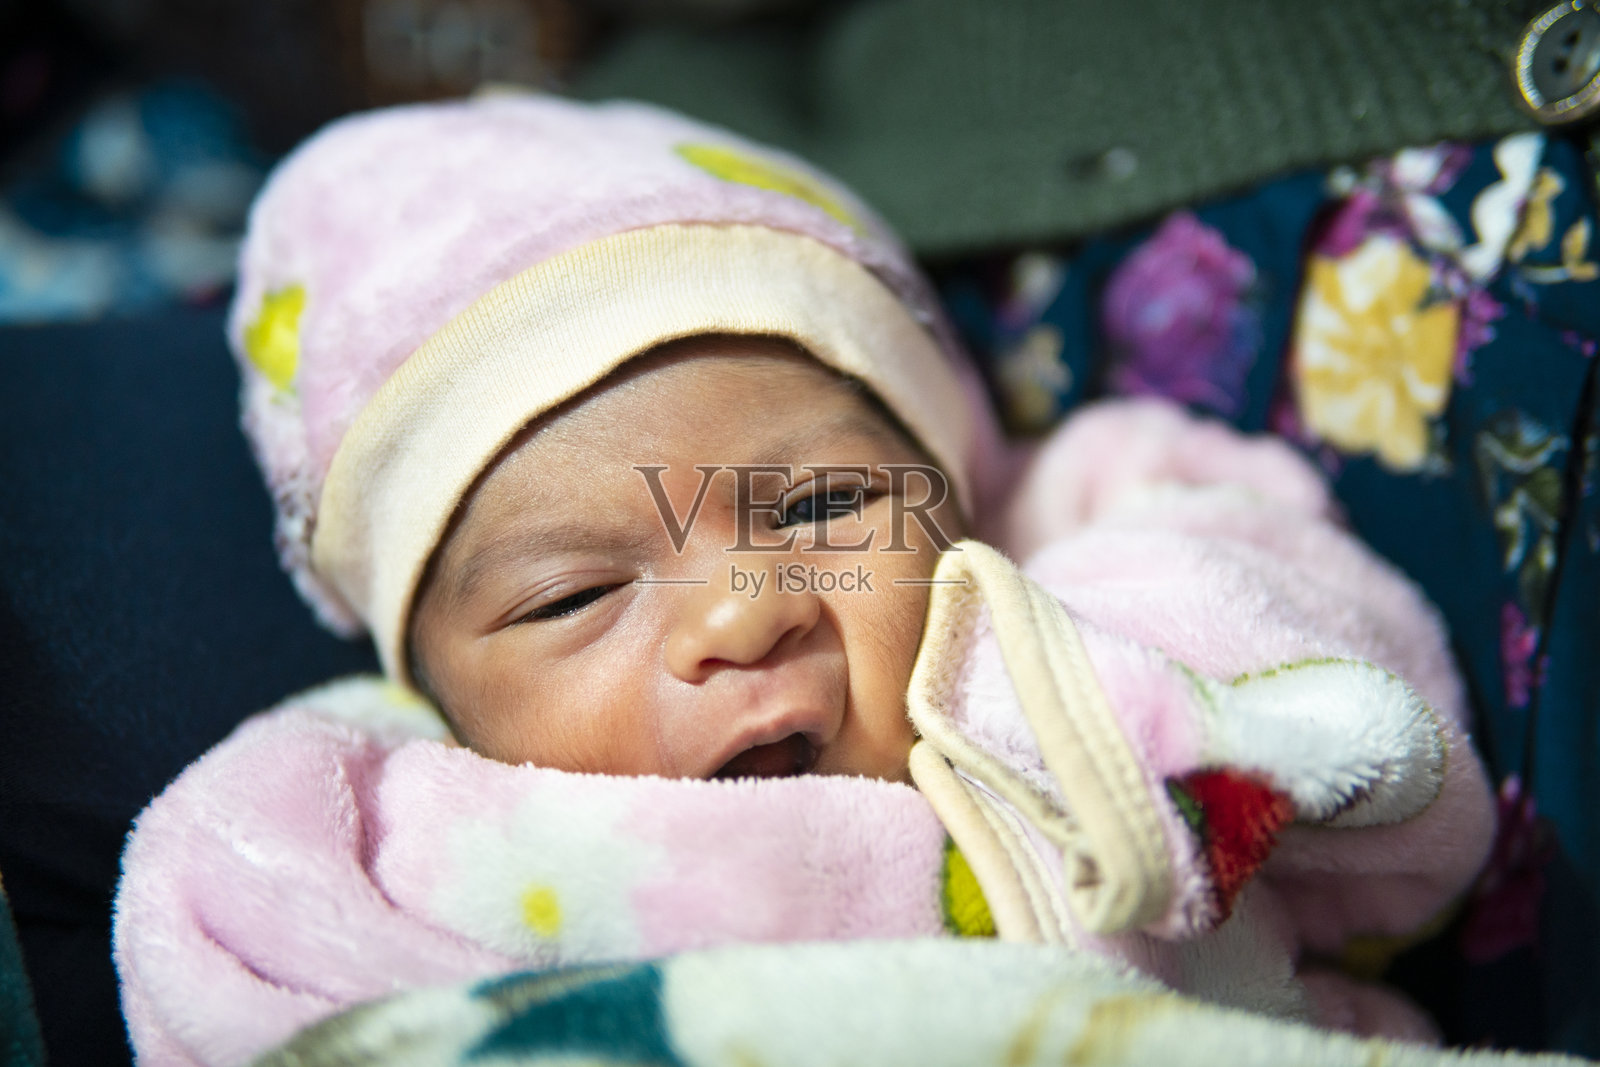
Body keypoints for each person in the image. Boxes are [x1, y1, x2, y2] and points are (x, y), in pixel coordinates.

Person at [112, 92, 1493, 1065]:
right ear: (433, 691)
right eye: (572, 598)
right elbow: (218, 974)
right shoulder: (374, 823)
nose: (743, 610)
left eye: (828, 504)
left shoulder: (1098, 579)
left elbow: (1366, 746)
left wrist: (1075, 697)